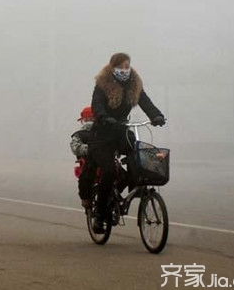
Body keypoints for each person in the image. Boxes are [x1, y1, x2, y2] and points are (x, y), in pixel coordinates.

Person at [89, 52, 166, 231]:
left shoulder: (134, 85)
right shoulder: (102, 85)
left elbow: (146, 102)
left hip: (121, 131)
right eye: (120, 67)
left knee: (138, 157)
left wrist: (156, 115)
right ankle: (100, 216)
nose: (124, 70)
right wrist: (104, 117)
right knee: (108, 171)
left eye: (127, 66)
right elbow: (97, 105)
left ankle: (128, 188)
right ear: (112, 67)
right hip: (102, 136)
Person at [70, 106, 97, 209]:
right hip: (103, 163)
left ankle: (86, 200)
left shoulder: (79, 135)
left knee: (85, 178)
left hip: (88, 165)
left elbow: (75, 148)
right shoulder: (104, 133)